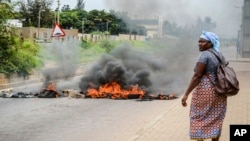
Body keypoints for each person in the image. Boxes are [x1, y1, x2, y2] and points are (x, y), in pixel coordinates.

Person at [181, 31, 227, 141]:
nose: (199, 43)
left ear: (210, 43)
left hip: (206, 91)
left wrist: (186, 94)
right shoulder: (219, 54)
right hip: (220, 91)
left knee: (198, 117)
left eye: (203, 42)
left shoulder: (204, 55)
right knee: (216, 118)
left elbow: (197, 76)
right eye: (199, 41)